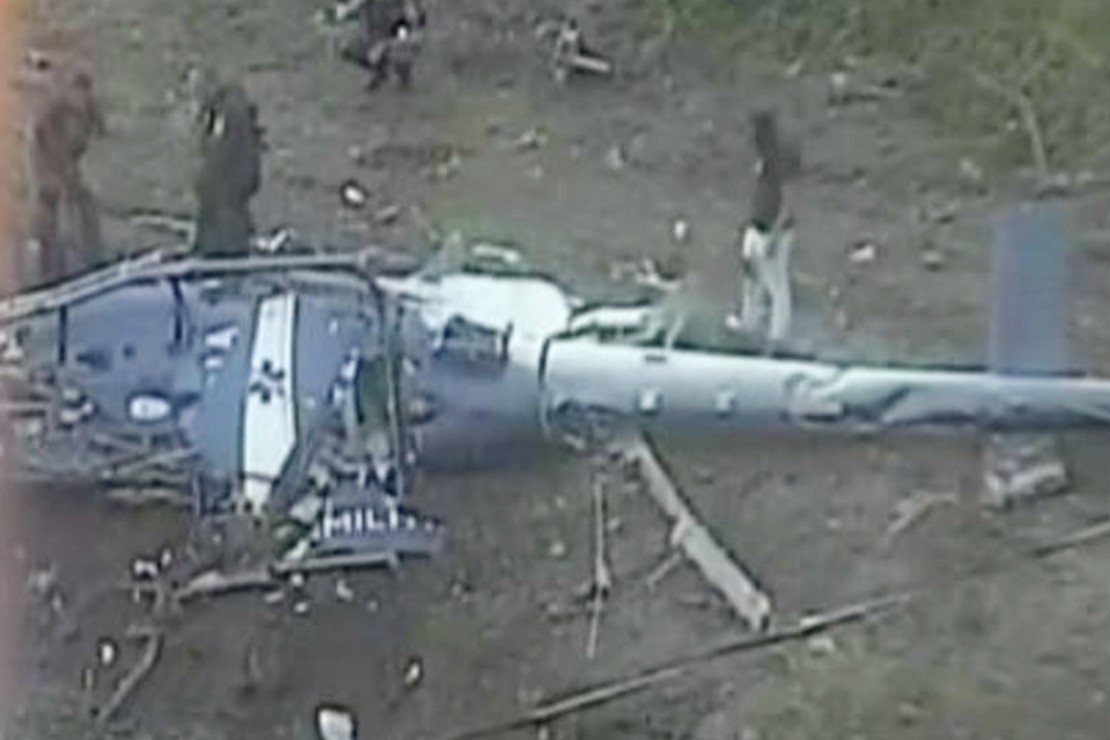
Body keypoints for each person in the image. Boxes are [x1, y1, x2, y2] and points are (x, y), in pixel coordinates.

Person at [22, 53, 106, 286]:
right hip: (46, 158)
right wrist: (57, 169)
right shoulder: (53, 106)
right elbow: (40, 134)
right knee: (49, 203)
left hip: (69, 158)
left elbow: (98, 128)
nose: (83, 97)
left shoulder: (88, 106)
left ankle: (91, 254)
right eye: (79, 90)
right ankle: (48, 261)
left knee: (84, 202)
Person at [729, 109, 797, 349]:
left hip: (773, 230)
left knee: (775, 283)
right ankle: (749, 322)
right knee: (752, 278)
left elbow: (786, 199)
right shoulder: (764, 159)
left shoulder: (777, 162)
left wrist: (775, 234)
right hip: (758, 225)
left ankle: (778, 334)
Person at [192, 79, 265, 256]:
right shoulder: (238, 140)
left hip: (223, 233)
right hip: (228, 228)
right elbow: (252, 181)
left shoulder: (227, 139)